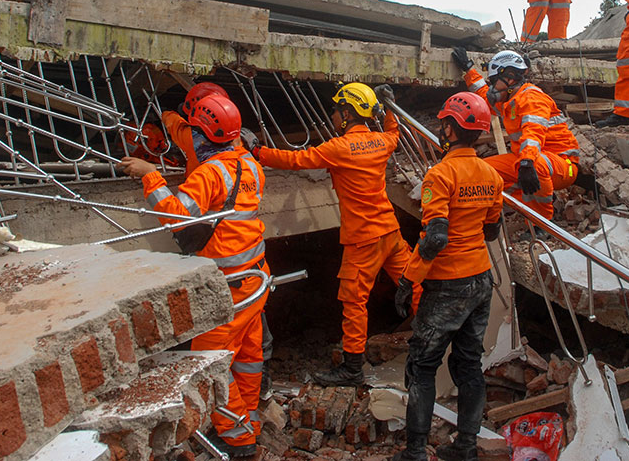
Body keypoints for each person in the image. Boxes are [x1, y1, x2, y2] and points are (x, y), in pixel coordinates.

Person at [120, 95, 268, 458]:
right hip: (256, 279)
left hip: (228, 290)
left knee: (210, 367)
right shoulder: (250, 166)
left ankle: (239, 441)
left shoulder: (209, 173)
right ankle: (248, 421)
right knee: (248, 359)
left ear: (203, 136)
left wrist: (149, 175)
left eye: (195, 134)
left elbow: (177, 216)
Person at [245, 82, 419, 386]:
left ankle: (352, 368)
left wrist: (257, 151)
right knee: (414, 285)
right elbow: (394, 134)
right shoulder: (381, 142)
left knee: (354, 302)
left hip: (363, 239)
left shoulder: (338, 148)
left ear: (347, 113)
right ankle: (439, 338)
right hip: (389, 231)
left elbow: (296, 161)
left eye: (336, 111)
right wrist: (390, 107)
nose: (333, 116)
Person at [392, 92, 504, 461]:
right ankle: (466, 447)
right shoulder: (491, 174)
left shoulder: (440, 174)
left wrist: (408, 280)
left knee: (422, 365)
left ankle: (415, 453)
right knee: (468, 362)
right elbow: (492, 229)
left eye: (444, 123)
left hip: (448, 284)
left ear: (451, 128)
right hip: (481, 279)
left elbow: (435, 238)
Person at [452, 48, 579, 220]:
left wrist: (526, 162)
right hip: (528, 160)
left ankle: (541, 222)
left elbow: (533, 133)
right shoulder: (510, 100)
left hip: (565, 167)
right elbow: (485, 99)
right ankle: (526, 205)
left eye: (494, 81)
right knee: (483, 170)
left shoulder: (531, 97)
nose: (492, 87)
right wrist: (468, 70)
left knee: (534, 164)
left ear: (510, 78)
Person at [162, 81, 230, 175]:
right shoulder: (236, 136)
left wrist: (165, 114)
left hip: (200, 186)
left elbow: (174, 124)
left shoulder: (191, 138)